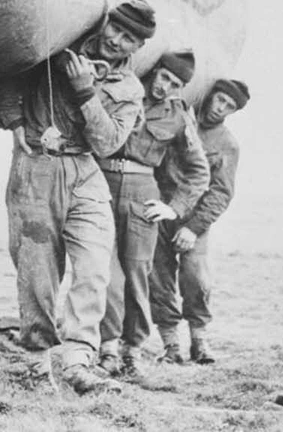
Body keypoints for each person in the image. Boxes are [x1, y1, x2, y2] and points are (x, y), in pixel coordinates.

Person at [0, 0, 155, 395]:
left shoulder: (129, 88)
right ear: (105, 23)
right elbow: (2, 72)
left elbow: (109, 142)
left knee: (95, 267)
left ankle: (78, 361)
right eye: (115, 28)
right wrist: (14, 122)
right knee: (38, 270)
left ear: (137, 48)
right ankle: (36, 361)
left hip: (85, 171)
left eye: (129, 38)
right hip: (36, 168)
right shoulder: (55, 46)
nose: (116, 40)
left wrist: (85, 93)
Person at [96, 50, 209, 379]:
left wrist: (174, 208)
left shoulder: (178, 115)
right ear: (154, 71)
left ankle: (132, 351)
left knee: (136, 275)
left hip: (142, 194)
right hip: (100, 186)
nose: (165, 88)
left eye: (175, 84)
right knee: (105, 273)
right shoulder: (122, 93)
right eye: (164, 78)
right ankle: (107, 350)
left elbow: (198, 172)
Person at [150, 78, 248, 366]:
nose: (221, 108)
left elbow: (221, 192)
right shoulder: (177, 120)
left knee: (195, 277)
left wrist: (193, 228)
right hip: (160, 208)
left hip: (194, 219)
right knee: (158, 278)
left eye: (229, 106)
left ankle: (200, 342)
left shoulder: (227, 144)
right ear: (209, 96)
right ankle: (170, 345)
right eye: (220, 99)